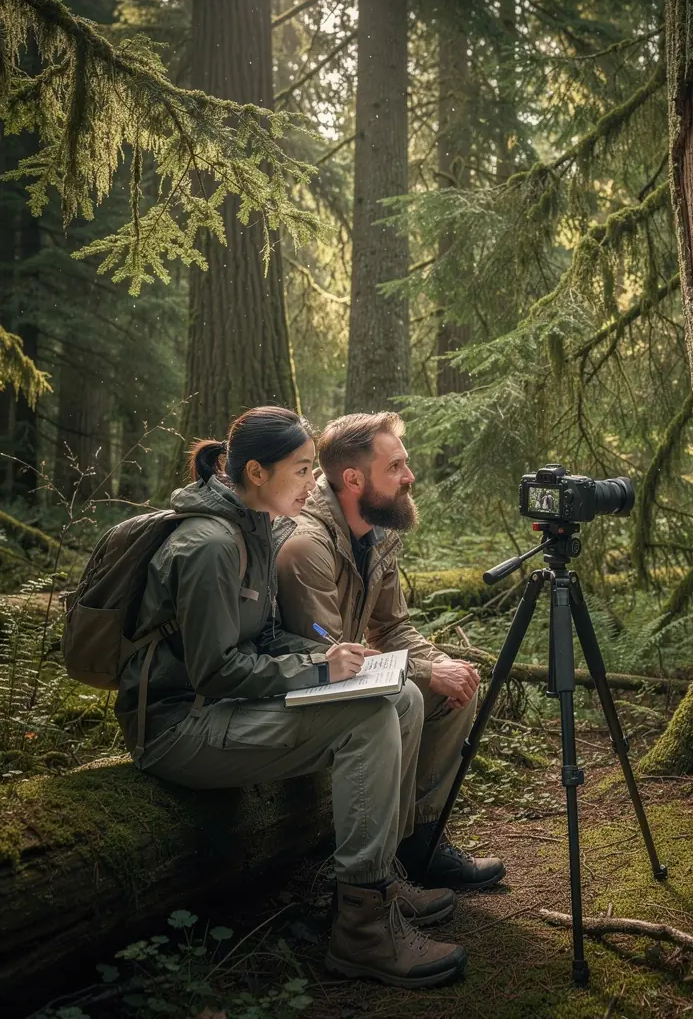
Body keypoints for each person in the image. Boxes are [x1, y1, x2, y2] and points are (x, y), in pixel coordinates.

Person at [115, 406, 467, 989]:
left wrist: (326, 660)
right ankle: (362, 929)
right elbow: (215, 672)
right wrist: (313, 672)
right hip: (180, 727)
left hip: (227, 709)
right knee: (371, 712)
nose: (314, 483)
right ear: (256, 472)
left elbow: (263, 635)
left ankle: (382, 879)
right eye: (303, 471)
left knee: (400, 698)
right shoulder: (209, 545)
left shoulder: (255, 527)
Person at [276, 412, 506, 890]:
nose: (410, 476)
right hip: (298, 690)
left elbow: (393, 626)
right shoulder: (306, 546)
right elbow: (328, 661)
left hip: (344, 673)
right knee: (416, 694)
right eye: (396, 467)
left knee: (453, 683)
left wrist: (439, 664)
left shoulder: (377, 531)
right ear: (354, 478)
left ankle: (418, 841)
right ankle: (375, 872)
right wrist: (423, 675)